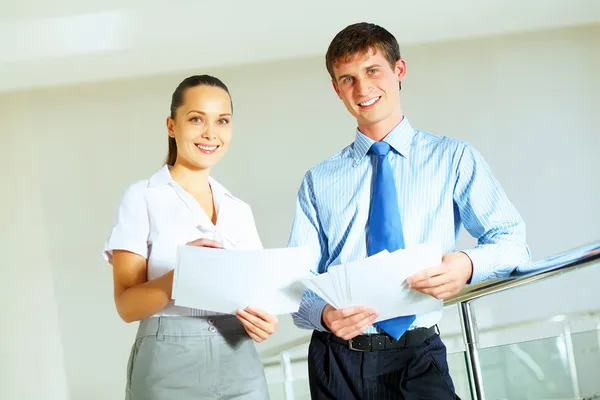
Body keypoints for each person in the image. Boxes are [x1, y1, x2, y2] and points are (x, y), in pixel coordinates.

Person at [289, 22, 531, 399]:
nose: (363, 88)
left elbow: (513, 242)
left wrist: (466, 265)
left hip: (418, 356)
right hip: (335, 360)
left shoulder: (453, 158)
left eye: (372, 71)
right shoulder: (317, 180)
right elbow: (297, 279)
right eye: (347, 78)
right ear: (337, 89)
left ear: (399, 71)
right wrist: (323, 314)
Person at [102, 74, 276, 400]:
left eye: (222, 121)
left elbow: (256, 297)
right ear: (171, 125)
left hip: (240, 361)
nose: (211, 133)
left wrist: (263, 323)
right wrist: (182, 273)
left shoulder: (239, 210)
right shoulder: (142, 197)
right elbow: (126, 306)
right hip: (168, 363)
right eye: (197, 119)